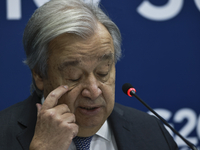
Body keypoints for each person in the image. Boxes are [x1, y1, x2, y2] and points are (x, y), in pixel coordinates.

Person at [0, 0, 178, 149]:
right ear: (39, 74)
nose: (93, 91)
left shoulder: (151, 132)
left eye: (103, 72)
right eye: (74, 76)